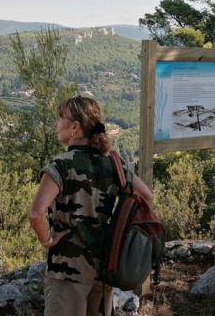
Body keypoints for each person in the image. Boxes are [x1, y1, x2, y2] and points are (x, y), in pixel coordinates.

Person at [28, 94, 153, 316]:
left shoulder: (60, 165)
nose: (56, 123)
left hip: (67, 269)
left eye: (60, 118)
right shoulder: (114, 161)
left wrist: (47, 240)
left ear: (74, 127)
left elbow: (36, 213)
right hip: (104, 264)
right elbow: (146, 196)